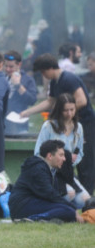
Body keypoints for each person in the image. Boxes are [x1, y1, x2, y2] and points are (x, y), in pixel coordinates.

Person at [22, 54, 95, 194]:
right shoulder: (55, 82)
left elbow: (82, 100)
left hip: (85, 122)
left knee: (85, 161)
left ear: (50, 68)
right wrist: (28, 112)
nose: (43, 75)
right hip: (70, 123)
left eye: (43, 72)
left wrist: (62, 113)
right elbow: (50, 102)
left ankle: (88, 197)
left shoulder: (69, 79)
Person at [34, 93, 91, 209]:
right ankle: (56, 207)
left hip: (68, 172)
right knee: (69, 194)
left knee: (86, 201)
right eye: (66, 110)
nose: (69, 113)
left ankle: (67, 208)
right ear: (59, 110)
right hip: (51, 173)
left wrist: (71, 160)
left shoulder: (78, 127)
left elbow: (79, 152)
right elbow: (37, 153)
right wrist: (55, 161)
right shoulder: (48, 126)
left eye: (72, 109)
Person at [8, 139, 83, 223]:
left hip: (32, 203)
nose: (64, 159)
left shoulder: (50, 169)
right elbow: (49, 194)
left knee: (67, 210)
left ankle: (46, 219)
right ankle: (34, 218)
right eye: (61, 155)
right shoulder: (37, 168)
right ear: (50, 156)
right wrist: (73, 209)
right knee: (68, 211)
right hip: (22, 206)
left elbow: (52, 196)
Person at [3, 50, 36, 135]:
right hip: (2, 122)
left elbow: (32, 100)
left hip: (19, 123)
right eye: (6, 66)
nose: (7, 69)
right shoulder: (1, 78)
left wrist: (18, 86)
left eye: (11, 67)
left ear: (19, 65)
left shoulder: (27, 80)